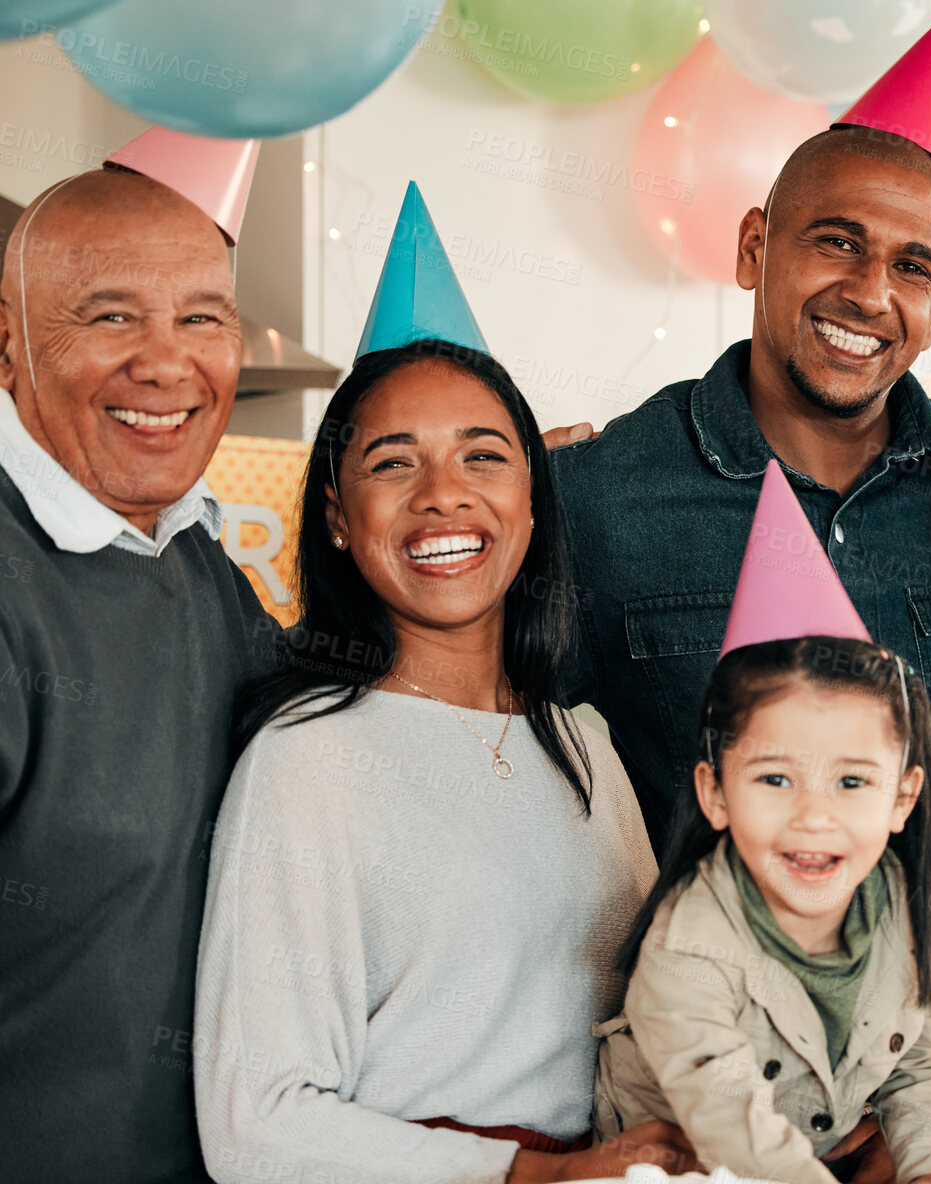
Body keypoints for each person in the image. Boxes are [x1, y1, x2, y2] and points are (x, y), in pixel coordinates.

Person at [192, 186, 695, 1184]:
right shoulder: (306, 758)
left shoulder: (582, 738)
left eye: (482, 454)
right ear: (336, 515)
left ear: (531, 496)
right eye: (393, 462)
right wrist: (529, 1174)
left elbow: (652, 1011)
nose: (443, 495)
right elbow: (258, 1121)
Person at [546, 5, 931, 850]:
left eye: (911, 267)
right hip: (714, 976)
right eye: (838, 242)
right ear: (753, 248)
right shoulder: (594, 496)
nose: (871, 294)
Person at [0, 134, 278, 1184]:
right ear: (7, 343)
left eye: (201, 316)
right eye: (111, 313)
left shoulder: (197, 554)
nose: (166, 361)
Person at [594, 463, 931, 1184]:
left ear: (903, 798)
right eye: (775, 779)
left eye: (852, 781)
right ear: (715, 792)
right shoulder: (686, 953)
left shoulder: (911, 911)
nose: (814, 816)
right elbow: (733, 1127)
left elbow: (930, 1059)